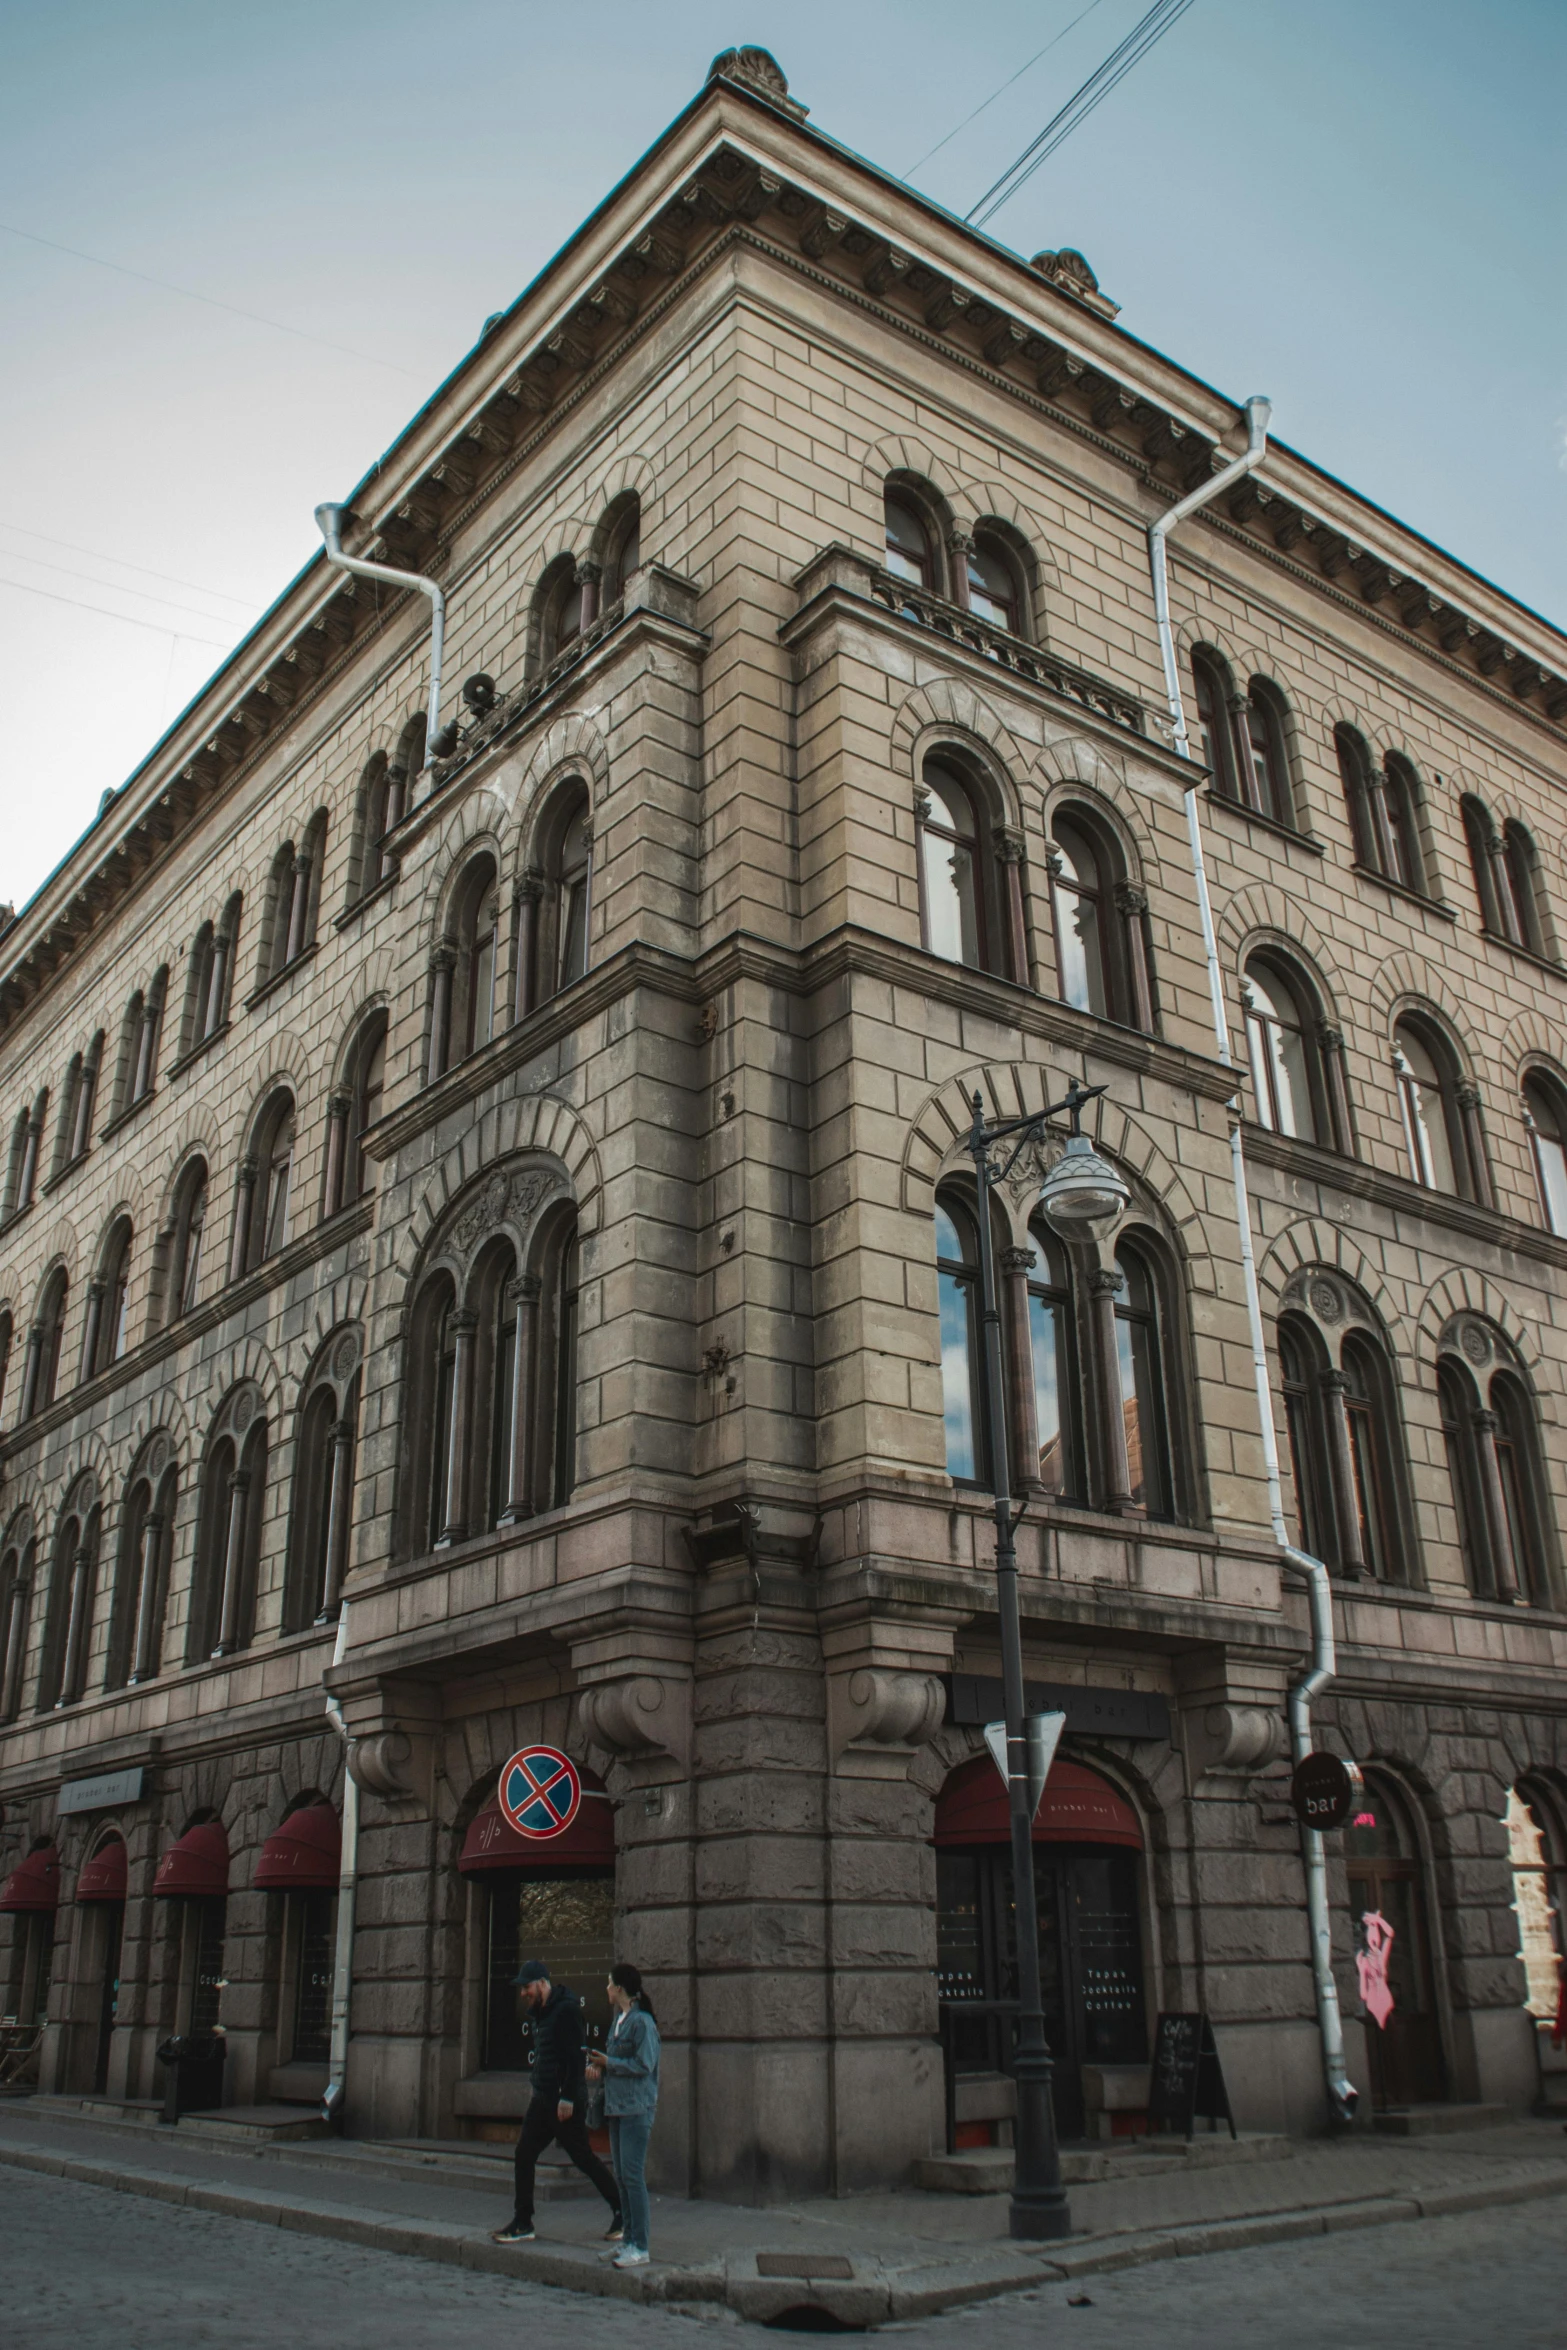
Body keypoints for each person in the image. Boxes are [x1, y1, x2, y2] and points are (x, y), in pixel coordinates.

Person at [490, 1958, 621, 2246]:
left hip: (564, 2102)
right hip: (542, 2099)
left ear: (541, 1983)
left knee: (583, 2158)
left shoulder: (567, 2010)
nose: (524, 1993)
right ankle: (523, 2221)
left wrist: (567, 2097)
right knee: (524, 2153)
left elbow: (576, 2057)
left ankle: (621, 2210)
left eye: (527, 1987)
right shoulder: (541, 2012)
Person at [586, 1961, 660, 2269]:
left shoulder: (642, 2023)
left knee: (632, 2176)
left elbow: (645, 2065)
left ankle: (640, 2246)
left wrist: (609, 2063)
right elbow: (615, 2062)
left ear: (620, 1988)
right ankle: (627, 2241)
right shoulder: (619, 2020)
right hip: (616, 2108)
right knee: (621, 2176)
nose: (605, 1989)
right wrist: (597, 2068)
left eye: (608, 1983)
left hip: (636, 2109)